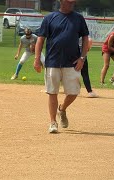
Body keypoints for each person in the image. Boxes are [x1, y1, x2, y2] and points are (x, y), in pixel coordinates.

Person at [33, 0, 89, 133]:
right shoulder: (49, 18)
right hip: (53, 61)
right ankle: (53, 122)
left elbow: (85, 38)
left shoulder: (78, 18)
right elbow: (40, 39)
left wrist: (82, 58)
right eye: (69, 2)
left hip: (72, 62)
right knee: (52, 92)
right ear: (62, 2)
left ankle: (62, 109)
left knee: (74, 92)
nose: (72, 4)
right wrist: (37, 59)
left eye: (73, 2)